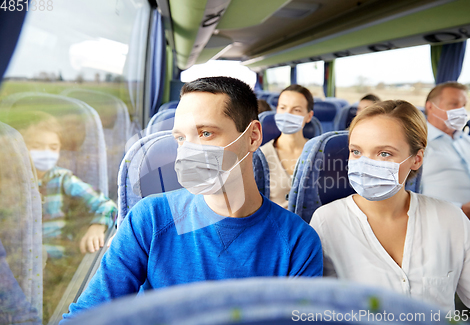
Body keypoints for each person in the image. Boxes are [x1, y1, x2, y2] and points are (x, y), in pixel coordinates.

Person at [60, 77, 323, 322]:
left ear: (252, 137)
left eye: (206, 133)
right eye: (181, 138)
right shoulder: (150, 219)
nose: (188, 151)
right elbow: (88, 315)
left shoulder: (298, 243)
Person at [310, 100, 470, 320]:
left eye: (384, 154)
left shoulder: (450, 219)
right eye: (356, 151)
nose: (365, 164)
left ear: (416, 160)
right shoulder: (327, 221)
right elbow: (321, 312)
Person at [13, 111, 117, 322]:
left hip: (55, 264)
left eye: (53, 148)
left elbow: (107, 205)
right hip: (21, 261)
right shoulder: (11, 183)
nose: (46, 153)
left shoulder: (62, 179)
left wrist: (97, 225)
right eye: (37, 146)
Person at [420, 82, 470, 277]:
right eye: (454, 104)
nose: (461, 111)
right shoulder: (418, 147)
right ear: (431, 106)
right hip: (450, 231)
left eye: (463, 105)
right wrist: (460, 210)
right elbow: (409, 197)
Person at [260, 85, 314, 208]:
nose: (287, 114)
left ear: (309, 116)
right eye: (283, 108)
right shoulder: (261, 155)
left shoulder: (318, 153)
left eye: (296, 110)